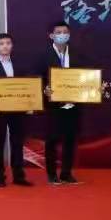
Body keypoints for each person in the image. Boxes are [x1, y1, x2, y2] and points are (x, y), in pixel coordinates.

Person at [0, 33, 33, 187]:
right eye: (1, 43)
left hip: (18, 109)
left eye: (8, 43)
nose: (5, 46)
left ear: (12, 46)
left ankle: (19, 176)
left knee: (17, 142)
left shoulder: (21, 64)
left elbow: (27, 86)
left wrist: (29, 104)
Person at [37, 21, 84, 186]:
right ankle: (51, 174)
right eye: (58, 32)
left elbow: (86, 77)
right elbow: (37, 78)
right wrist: (44, 89)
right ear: (51, 35)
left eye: (65, 32)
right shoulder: (43, 55)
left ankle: (66, 173)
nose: (62, 35)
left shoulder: (78, 54)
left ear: (69, 35)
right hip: (53, 106)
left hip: (73, 105)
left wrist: (95, 87)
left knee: (70, 140)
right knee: (52, 141)